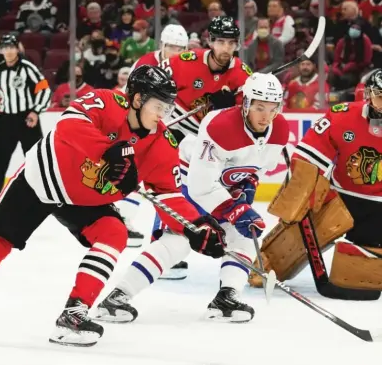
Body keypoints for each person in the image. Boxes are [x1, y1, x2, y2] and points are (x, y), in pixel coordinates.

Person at [0, 65, 226, 347]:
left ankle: (72, 315)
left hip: (86, 199)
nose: (165, 115)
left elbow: (168, 195)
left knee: (114, 232)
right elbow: (68, 125)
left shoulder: (161, 144)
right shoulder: (106, 101)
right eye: (160, 106)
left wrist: (196, 224)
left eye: (170, 107)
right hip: (44, 178)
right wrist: (109, 150)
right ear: (138, 99)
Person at [96, 73, 289, 323]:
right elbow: (201, 186)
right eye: (260, 107)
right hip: (189, 180)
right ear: (246, 104)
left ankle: (226, 298)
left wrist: (246, 191)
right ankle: (117, 297)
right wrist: (235, 208)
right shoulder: (220, 125)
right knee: (179, 242)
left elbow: (255, 170)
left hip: (221, 186)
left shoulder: (279, 129)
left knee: (242, 236)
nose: (266, 115)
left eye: (272, 108)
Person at [255, 70, 382, 291]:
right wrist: (304, 187)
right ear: (368, 96)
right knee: (298, 240)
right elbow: (308, 156)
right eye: (380, 97)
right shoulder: (341, 115)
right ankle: (265, 263)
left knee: (363, 266)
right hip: (340, 196)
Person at [154, 16, 252, 279]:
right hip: (176, 122)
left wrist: (230, 108)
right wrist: (162, 117)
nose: (225, 49)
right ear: (210, 42)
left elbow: (247, 117)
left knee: (199, 184)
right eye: (220, 42)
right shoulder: (183, 63)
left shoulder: (243, 74)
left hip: (207, 135)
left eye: (231, 43)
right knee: (168, 182)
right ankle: (162, 242)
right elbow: (156, 89)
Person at [114, 23, 189, 249]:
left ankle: (161, 230)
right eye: (171, 47)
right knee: (137, 170)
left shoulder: (186, 64)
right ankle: (122, 219)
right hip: (146, 126)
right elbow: (131, 94)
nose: (176, 52)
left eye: (180, 48)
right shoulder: (146, 62)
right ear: (162, 45)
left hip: (173, 126)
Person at [0, 34, 52, 212]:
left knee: (36, 159)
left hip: (26, 119)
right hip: (6, 120)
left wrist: (36, 111)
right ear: (1, 50)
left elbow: (44, 90)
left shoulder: (27, 68)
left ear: (17, 48)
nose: (9, 51)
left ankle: (44, 196)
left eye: (12, 47)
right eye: (5, 47)